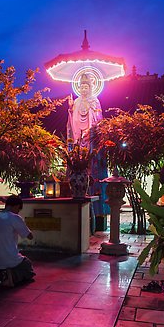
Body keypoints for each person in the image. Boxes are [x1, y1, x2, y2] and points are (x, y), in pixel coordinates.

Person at [67, 73, 110, 226]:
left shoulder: (95, 101)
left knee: (93, 165)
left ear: (91, 88)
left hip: (90, 137)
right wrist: (71, 109)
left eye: (86, 86)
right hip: (79, 137)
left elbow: (98, 119)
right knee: (77, 161)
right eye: (81, 87)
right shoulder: (77, 101)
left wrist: (90, 131)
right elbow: (72, 123)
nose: (84, 89)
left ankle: (98, 215)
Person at [0, 195, 36, 288]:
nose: (18, 212)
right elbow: (30, 236)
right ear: (17, 206)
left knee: (3, 263)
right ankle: (10, 277)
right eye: (19, 209)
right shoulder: (14, 218)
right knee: (27, 265)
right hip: (10, 257)